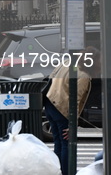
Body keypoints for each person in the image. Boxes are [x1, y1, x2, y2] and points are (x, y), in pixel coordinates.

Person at [44, 46, 101, 175]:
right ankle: (67, 172)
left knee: (58, 143)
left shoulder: (67, 63)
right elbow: (75, 99)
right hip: (62, 109)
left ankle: (59, 171)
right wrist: (72, 124)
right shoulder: (83, 75)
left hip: (50, 104)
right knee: (67, 144)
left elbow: (51, 77)